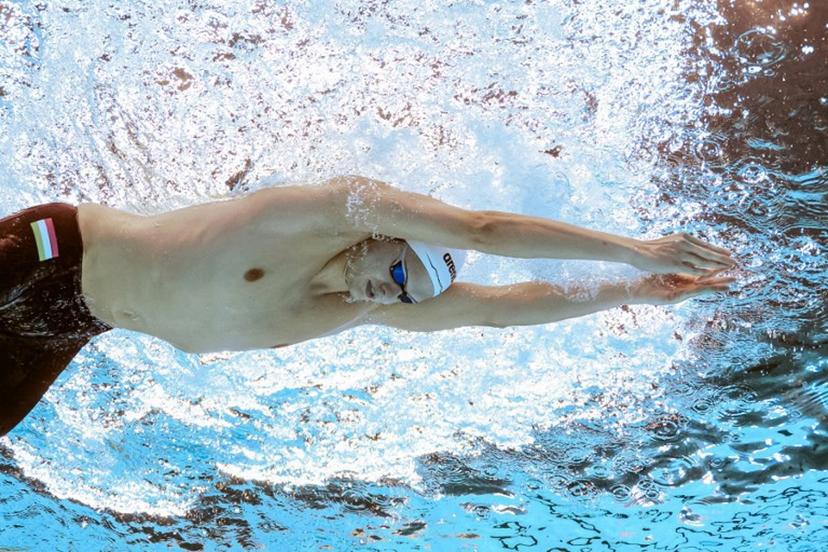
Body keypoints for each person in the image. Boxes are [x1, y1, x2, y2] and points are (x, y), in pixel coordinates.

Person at [0, 175, 736, 436]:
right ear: (385, 236)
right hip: (53, 249)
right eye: (396, 270)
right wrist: (633, 250)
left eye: (408, 293)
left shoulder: (360, 309)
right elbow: (483, 231)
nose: (391, 293)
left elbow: (500, 308)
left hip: (74, 323)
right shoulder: (324, 212)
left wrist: (630, 296)